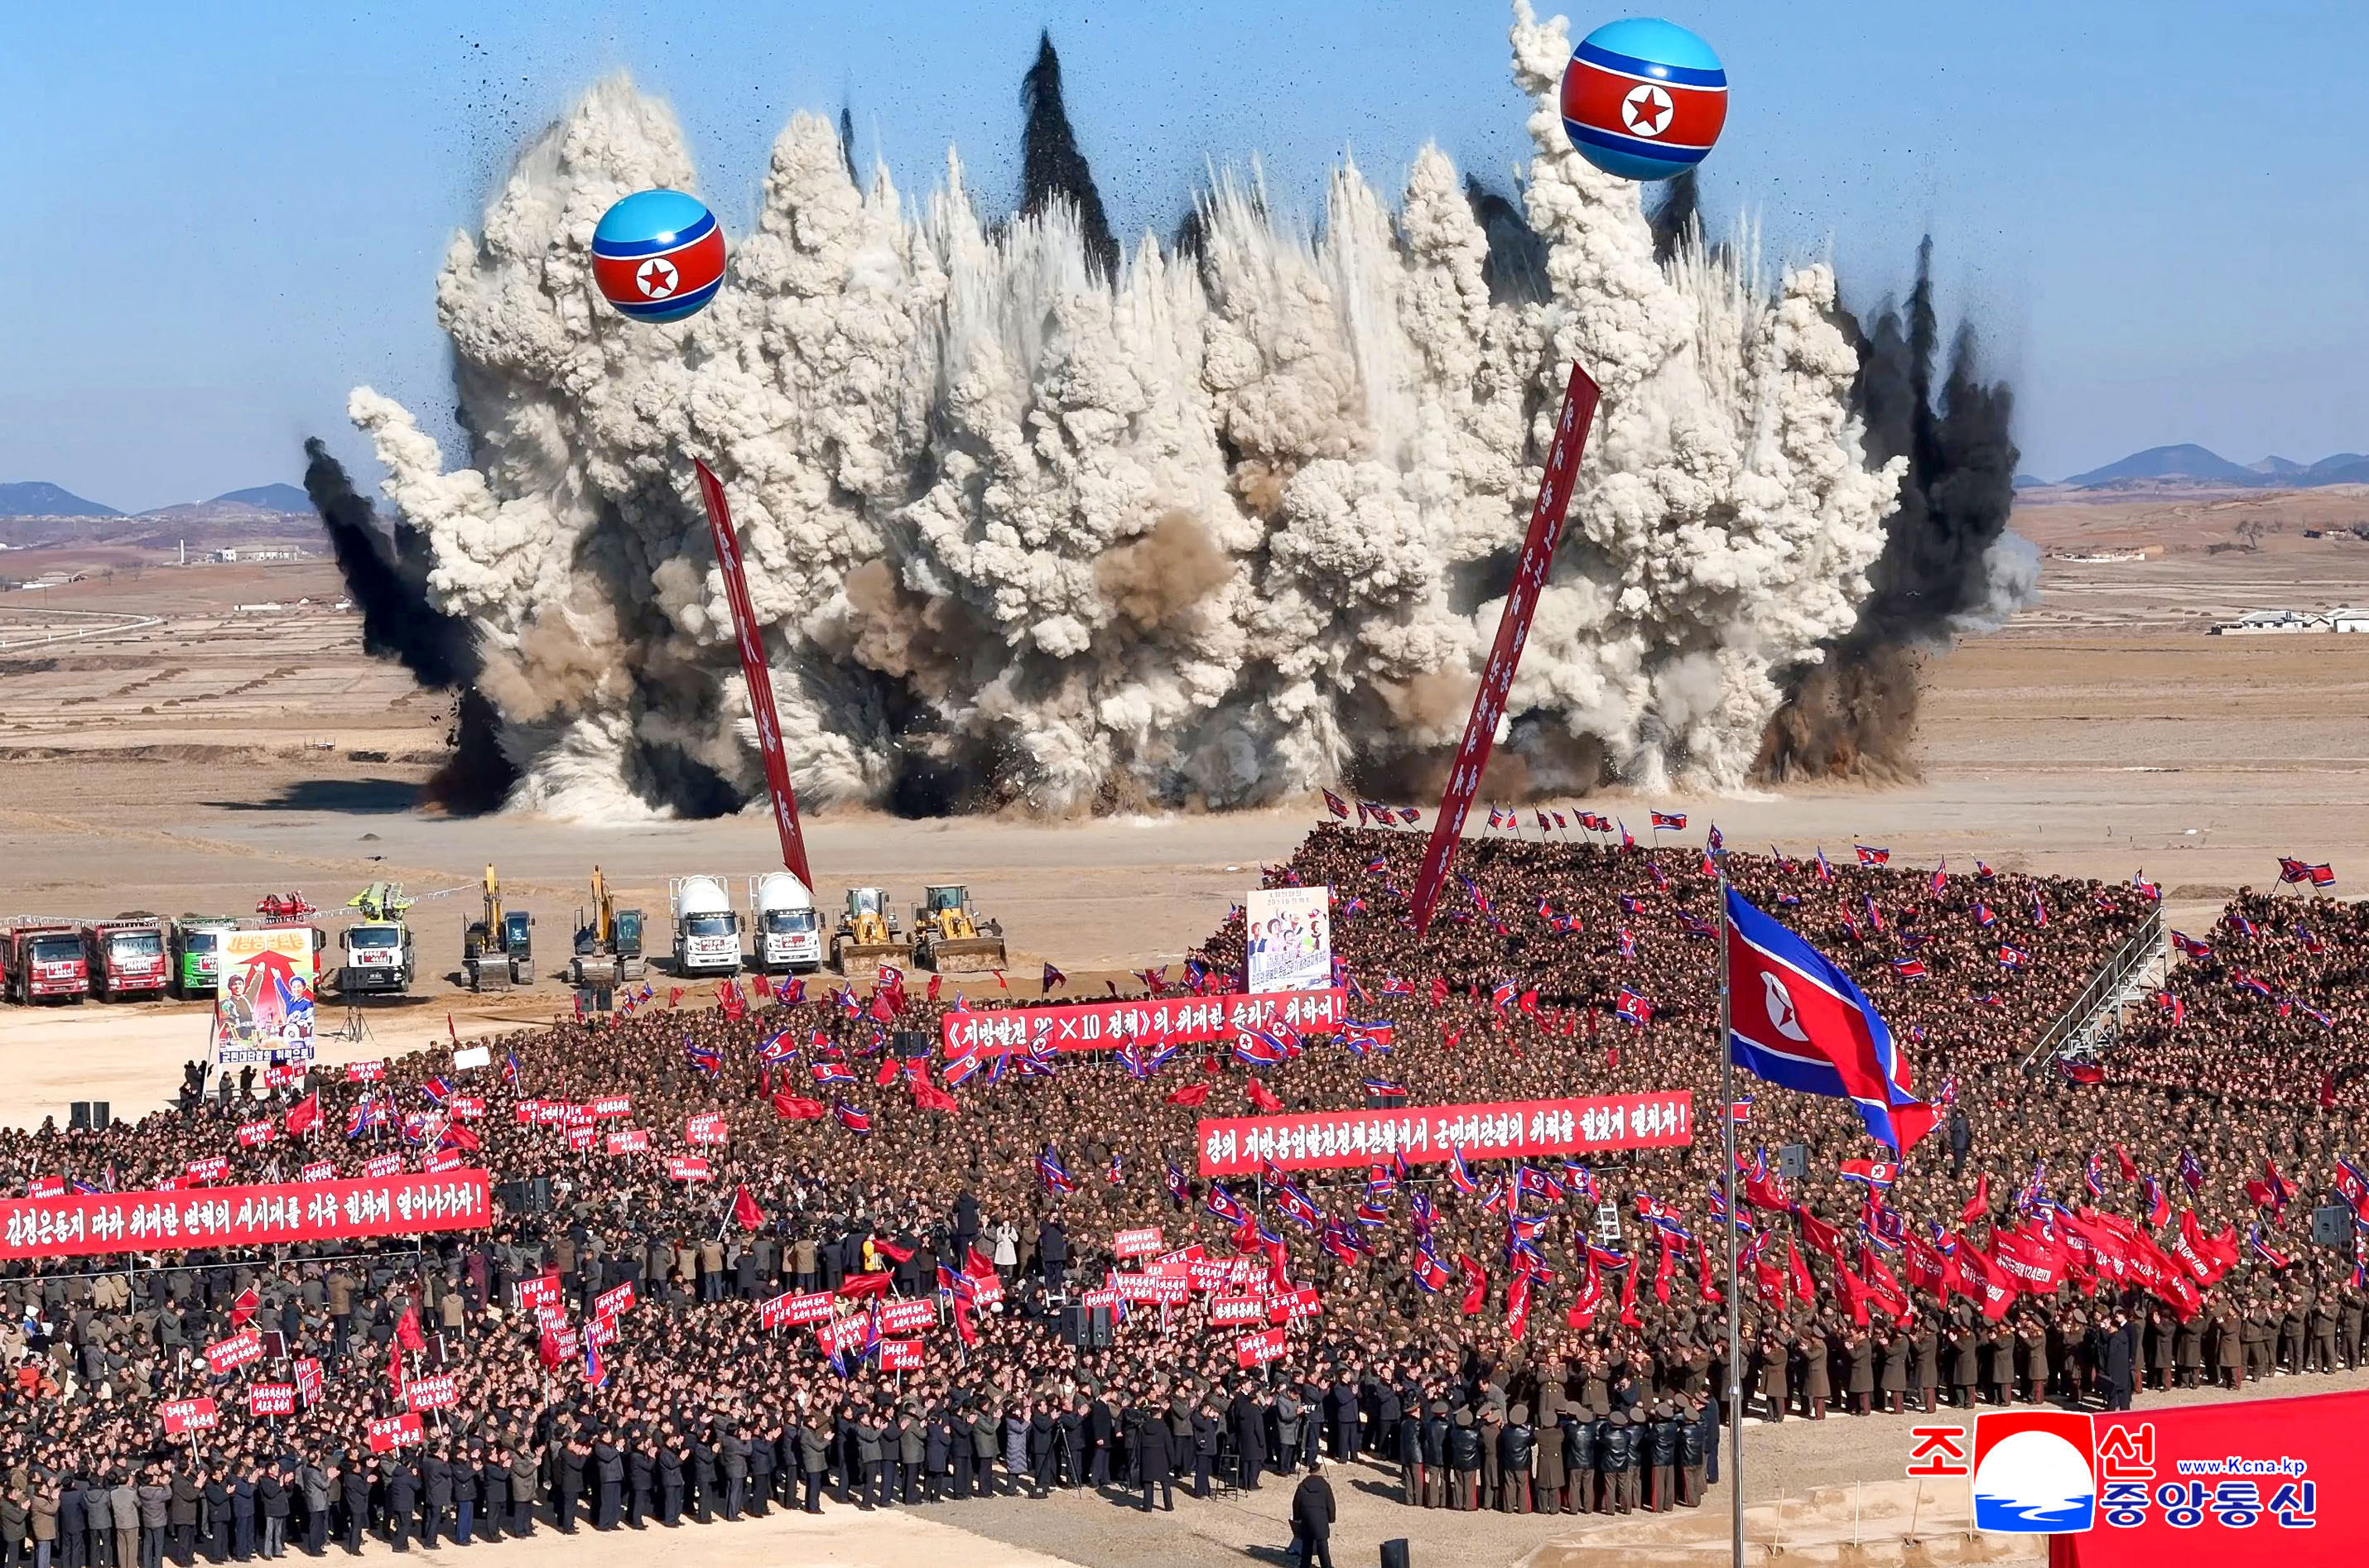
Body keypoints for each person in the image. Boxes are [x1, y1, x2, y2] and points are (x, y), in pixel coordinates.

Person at [1288, 1465, 1335, 1568]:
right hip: (1321, 1519)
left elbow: (1296, 1503)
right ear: (1319, 1471)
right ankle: (1326, 1566)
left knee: (1307, 1546)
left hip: (1307, 1519)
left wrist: (1297, 1517)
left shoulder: (1302, 1486)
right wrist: (1331, 1518)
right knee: (1323, 1547)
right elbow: (1330, 1503)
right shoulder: (1325, 1486)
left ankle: (1305, 1566)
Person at [1133, 1406, 1174, 1513]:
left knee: (1148, 1483)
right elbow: (1169, 1446)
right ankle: (1168, 1506)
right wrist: (1171, 1461)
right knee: (1165, 1483)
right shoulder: (1164, 1427)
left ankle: (1147, 1507)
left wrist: (1139, 1459)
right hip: (1162, 1458)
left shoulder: (1143, 1427)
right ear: (1159, 1414)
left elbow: (1138, 1445)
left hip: (1147, 1459)